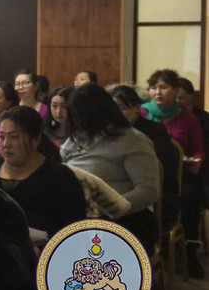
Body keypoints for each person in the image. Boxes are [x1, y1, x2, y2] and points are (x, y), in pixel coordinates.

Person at [61, 84, 160, 252]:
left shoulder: (132, 140)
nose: (79, 121)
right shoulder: (74, 141)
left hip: (125, 217)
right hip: (79, 214)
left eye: (83, 116)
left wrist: (107, 208)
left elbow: (148, 191)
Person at [0, 106, 86, 239]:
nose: (5, 144)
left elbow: (74, 232)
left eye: (14, 137)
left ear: (35, 140)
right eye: (1, 137)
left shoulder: (59, 178)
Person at [142, 69, 205, 276]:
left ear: (176, 90)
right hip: (146, 172)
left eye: (163, 87)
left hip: (178, 173)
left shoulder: (188, 118)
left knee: (190, 195)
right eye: (153, 88)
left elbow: (198, 149)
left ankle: (190, 251)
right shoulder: (142, 113)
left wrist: (197, 160)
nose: (157, 92)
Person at [110, 85, 180, 234]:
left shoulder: (155, 130)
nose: (116, 114)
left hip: (153, 188)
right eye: (112, 109)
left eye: (122, 108)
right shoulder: (110, 132)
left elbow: (160, 166)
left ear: (136, 108)